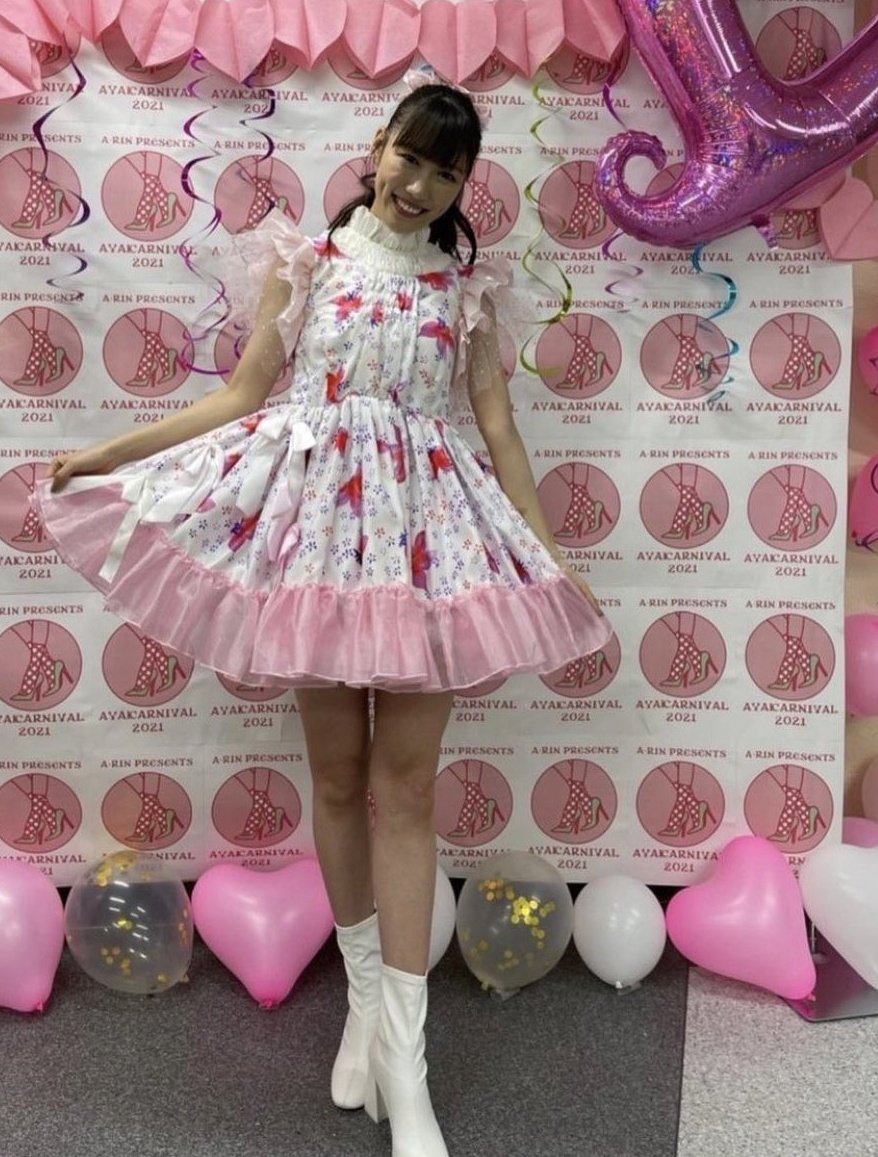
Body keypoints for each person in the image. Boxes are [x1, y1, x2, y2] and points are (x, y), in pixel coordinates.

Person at [39, 81, 612, 1157]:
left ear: (462, 184)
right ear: (377, 145)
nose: (419, 184)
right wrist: (111, 451)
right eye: (409, 157)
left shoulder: (467, 291)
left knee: (407, 787)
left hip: (426, 543)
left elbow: (497, 429)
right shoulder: (306, 264)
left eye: (445, 172)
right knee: (340, 781)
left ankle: (408, 1061)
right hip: (315, 538)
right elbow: (242, 395)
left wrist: (547, 555)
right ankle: (362, 1010)